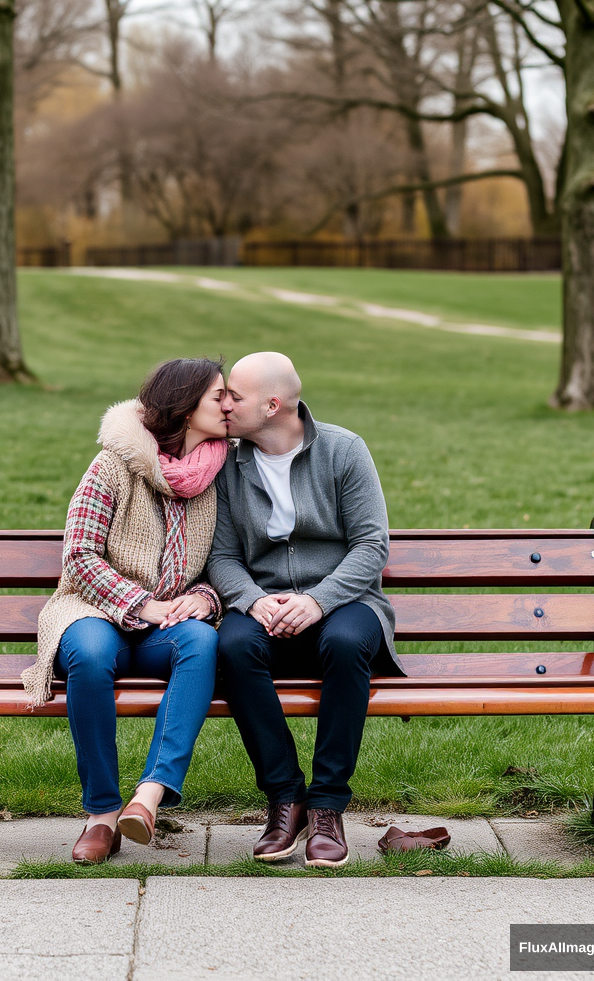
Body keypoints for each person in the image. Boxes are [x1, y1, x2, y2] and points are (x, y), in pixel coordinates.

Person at [21, 358, 228, 864]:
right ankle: (102, 814)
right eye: (218, 396)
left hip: (165, 628)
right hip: (89, 610)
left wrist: (205, 598)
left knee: (202, 641)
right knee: (90, 655)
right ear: (184, 406)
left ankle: (150, 796)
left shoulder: (220, 472)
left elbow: (226, 560)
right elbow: (80, 554)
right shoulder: (113, 466)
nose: (229, 405)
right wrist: (143, 605)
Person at [207, 352, 402, 868]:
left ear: (272, 405)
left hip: (346, 605)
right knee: (231, 645)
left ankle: (327, 807)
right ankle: (286, 798)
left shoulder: (343, 451)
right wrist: (253, 601)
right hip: (265, 606)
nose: (224, 403)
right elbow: (222, 556)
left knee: (343, 641)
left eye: (236, 396)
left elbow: (370, 546)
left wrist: (319, 601)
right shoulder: (225, 462)